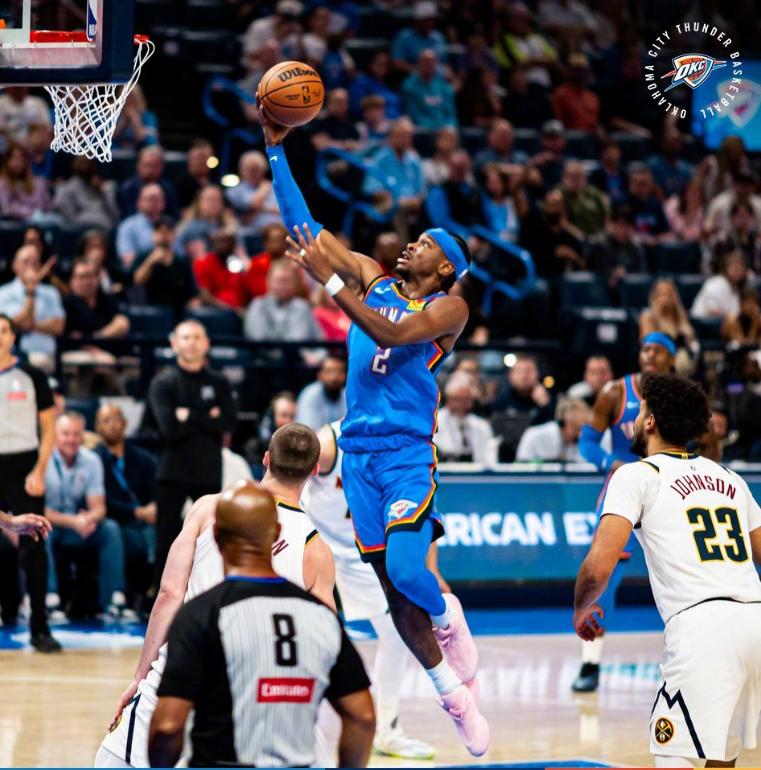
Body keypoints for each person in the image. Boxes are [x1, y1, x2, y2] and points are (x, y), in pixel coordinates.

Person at [261, 109, 489, 755]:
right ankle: (452, 695)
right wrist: (276, 150)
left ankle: (448, 617)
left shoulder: (448, 307)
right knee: (392, 594)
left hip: (405, 454)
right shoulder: (371, 277)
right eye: (414, 238)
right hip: (358, 456)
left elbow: (388, 332)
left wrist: (331, 283)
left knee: (411, 571)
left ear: (444, 268)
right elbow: (304, 229)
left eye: (426, 244)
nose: (411, 244)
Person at [97, 424, 338, 768]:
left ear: (266, 459)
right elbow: (323, 643)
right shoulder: (317, 550)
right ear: (314, 470)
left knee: (117, 759)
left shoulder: (208, 508)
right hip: (258, 696)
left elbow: (169, 594)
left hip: (183, 673)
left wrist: (140, 677)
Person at [574, 373, 761, 768]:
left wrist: (581, 607)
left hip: (702, 627)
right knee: (720, 759)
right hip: (755, 620)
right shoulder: (730, 479)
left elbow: (598, 566)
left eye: (641, 410)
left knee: (674, 756)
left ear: (650, 421)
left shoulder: (637, 474)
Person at [147, 479, 374, 768]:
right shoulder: (321, 616)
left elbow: (167, 726)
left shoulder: (200, 615)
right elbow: (363, 717)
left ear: (216, 536)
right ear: (276, 533)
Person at [301, 421, 440, 759]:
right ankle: (299, 726)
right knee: (307, 634)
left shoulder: (406, 441)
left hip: (362, 553)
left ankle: (387, 730)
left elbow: (423, 509)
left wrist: (432, 569)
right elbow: (285, 474)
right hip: (316, 543)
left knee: (396, 634)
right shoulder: (330, 442)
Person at [572, 333, 676, 692]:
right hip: (624, 491)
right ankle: (590, 662)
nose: (649, 355)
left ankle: (689, 654)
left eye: (658, 350)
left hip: (668, 490)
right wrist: (608, 461)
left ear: (671, 359)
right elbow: (587, 441)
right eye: (645, 348)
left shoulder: (680, 395)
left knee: (680, 574)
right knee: (605, 575)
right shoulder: (615, 392)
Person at [145, 320, 237, 583]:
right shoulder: (163, 382)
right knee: (166, 539)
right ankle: (161, 594)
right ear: (174, 344)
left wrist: (188, 415)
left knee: (211, 539)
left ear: (207, 343)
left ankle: (208, 593)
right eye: (186, 337)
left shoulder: (219, 381)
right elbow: (169, 429)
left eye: (197, 337)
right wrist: (208, 416)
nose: (192, 343)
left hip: (207, 470)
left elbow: (229, 423)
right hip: (171, 471)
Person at [0, 313, 59, 651]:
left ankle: (40, 627)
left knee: (34, 544)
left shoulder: (32, 375)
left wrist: (39, 470)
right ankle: (7, 609)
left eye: (4, 331)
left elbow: (49, 428)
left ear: (13, 337)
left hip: (24, 465)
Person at [44, 412, 132, 620]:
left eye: (77, 434)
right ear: (55, 435)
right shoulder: (43, 460)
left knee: (109, 528)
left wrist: (89, 519)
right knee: (39, 530)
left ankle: (114, 600)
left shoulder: (91, 460)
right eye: (66, 434)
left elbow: (99, 507)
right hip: (50, 524)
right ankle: (48, 599)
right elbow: (37, 510)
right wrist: (73, 521)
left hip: (79, 527)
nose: (72, 439)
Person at [94, 405, 157, 601]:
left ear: (125, 423)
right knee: (115, 531)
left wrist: (154, 507)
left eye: (116, 419)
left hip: (146, 520)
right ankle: (118, 598)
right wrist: (135, 512)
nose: (112, 425)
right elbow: (101, 500)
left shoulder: (144, 458)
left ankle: (161, 591)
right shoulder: (94, 459)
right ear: (97, 427)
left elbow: (156, 491)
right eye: (106, 420)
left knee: (163, 529)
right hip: (117, 520)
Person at [0, 244, 65, 373]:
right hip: (11, 355)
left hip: (45, 356)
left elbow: (58, 326)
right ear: (14, 265)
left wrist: (28, 325)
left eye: (35, 262)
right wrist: (30, 291)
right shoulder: (3, 293)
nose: (31, 266)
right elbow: (9, 325)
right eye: (26, 261)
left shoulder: (51, 292)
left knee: (38, 363)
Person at [244, 260, 323, 341]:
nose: (283, 286)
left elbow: (314, 339)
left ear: (295, 284)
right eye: (280, 281)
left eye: (287, 281)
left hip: (299, 349)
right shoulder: (258, 305)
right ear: (269, 281)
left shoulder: (302, 307)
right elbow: (257, 338)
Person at [640, 278, 700, 376]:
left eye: (668, 294)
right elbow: (646, 344)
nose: (664, 298)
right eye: (660, 294)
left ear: (674, 297)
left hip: (683, 359)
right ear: (654, 297)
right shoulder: (648, 316)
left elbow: (691, 341)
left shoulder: (681, 316)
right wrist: (657, 316)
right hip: (660, 359)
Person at [435, 373, 496, 464]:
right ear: (448, 399)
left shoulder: (481, 425)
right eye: (457, 399)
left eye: (467, 400)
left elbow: (490, 458)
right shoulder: (434, 422)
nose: (462, 405)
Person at [586, 204, 645, 292]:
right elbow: (595, 267)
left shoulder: (635, 247)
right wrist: (612, 273)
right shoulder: (598, 244)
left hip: (629, 293)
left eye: (626, 226)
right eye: (619, 225)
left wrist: (624, 272)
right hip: (597, 291)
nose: (622, 230)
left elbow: (640, 275)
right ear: (611, 224)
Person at [51, 156, 119, 232]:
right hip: (81, 225)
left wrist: (101, 191)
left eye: (88, 163)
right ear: (74, 165)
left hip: (105, 224)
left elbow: (114, 214)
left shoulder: (106, 187)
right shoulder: (67, 188)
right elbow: (70, 218)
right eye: (81, 163)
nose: (85, 166)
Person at [515, 398, 591, 463]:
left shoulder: (579, 441)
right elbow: (520, 468)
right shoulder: (534, 435)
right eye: (576, 428)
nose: (580, 434)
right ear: (562, 423)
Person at [224, 150, 281, 234]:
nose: (254, 173)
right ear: (241, 170)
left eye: (257, 169)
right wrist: (264, 189)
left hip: (278, 232)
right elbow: (254, 203)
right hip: (250, 234)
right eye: (250, 170)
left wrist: (258, 210)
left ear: (263, 170)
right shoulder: (234, 191)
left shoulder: (275, 187)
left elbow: (283, 210)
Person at [116, 145, 179, 220]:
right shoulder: (127, 188)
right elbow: (127, 217)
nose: (150, 170)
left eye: (155, 165)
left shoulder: (167, 188)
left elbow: (174, 216)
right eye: (147, 165)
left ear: (162, 167)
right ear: (138, 165)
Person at [400, 50, 457, 131]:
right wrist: (436, 129)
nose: (429, 65)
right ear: (419, 64)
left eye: (432, 62)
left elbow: (451, 114)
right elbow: (414, 115)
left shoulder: (443, 85)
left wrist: (450, 126)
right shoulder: (409, 86)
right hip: (422, 131)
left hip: (445, 131)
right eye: (426, 62)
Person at [115, 183, 167, 270]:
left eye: (158, 199)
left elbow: (179, 255)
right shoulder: (127, 226)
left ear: (163, 203)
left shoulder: (169, 225)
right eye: (151, 199)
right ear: (139, 202)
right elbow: (128, 260)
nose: (154, 203)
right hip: (140, 273)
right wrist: (151, 260)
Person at [0, 142, 51, 221]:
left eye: (21, 158)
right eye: (14, 158)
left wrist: (38, 214)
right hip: (15, 222)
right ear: (7, 161)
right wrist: (30, 213)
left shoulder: (38, 182)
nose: (18, 162)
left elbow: (46, 206)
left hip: (41, 220)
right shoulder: (3, 184)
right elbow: (7, 208)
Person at [692, 251, 749, 321]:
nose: (736, 272)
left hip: (725, 321)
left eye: (739, 269)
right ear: (725, 268)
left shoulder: (738, 287)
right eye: (734, 268)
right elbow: (712, 311)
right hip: (705, 322)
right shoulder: (716, 283)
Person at [296, 355, 347, 428]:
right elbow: (308, 430)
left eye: (339, 372)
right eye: (329, 371)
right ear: (319, 375)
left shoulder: (348, 396)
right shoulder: (309, 395)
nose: (334, 377)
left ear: (346, 375)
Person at [175, 138, 214, 211]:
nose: (203, 162)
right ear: (190, 159)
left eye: (207, 158)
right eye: (200, 158)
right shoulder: (180, 184)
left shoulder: (213, 183)